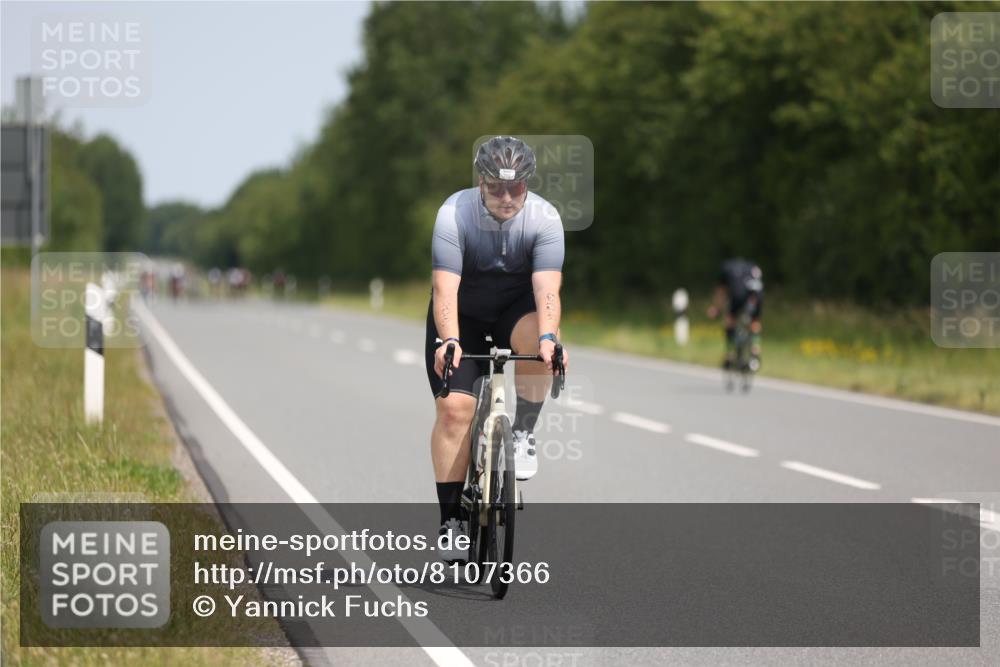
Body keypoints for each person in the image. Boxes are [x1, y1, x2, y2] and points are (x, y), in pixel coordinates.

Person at [425, 136, 568, 562]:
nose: (506, 197)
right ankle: (450, 519)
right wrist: (449, 339)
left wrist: (548, 339)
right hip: (462, 315)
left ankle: (522, 432)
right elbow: (444, 289)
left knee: (544, 344)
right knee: (454, 411)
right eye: (495, 187)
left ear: (528, 183)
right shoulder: (454, 213)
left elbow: (546, 290)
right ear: (480, 181)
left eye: (516, 187)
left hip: (514, 310)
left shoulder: (545, 218)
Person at [708, 258, 764, 370]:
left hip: (738, 294)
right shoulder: (752, 265)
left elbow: (721, 292)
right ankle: (755, 350)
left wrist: (716, 309)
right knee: (754, 322)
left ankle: (730, 355)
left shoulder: (726, 269)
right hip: (757, 293)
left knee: (730, 321)